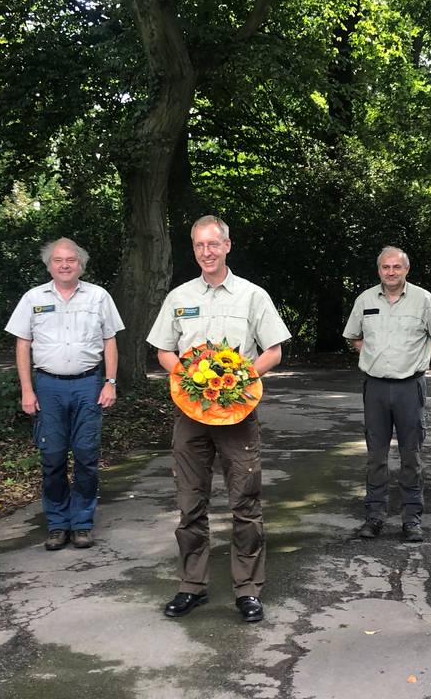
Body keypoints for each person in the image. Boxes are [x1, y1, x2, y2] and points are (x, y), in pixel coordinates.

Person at [147, 215, 291, 624]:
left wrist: (239, 381)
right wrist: (189, 378)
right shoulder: (178, 297)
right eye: (198, 246)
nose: (206, 252)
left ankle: (247, 590)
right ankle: (192, 586)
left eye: (213, 244)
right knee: (190, 502)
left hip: (238, 415)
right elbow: (164, 351)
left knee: (245, 501)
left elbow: (274, 350)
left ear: (227, 245)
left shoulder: (252, 296)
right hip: (191, 415)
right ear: (192, 249)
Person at [6, 238, 124, 551]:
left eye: (71, 259)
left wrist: (110, 381)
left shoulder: (98, 296)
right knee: (52, 457)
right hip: (48, 387)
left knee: (87, 456)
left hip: (88, 385)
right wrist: (27, 389)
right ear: (49, 265)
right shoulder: (33, 298)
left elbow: (109, 340)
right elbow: (22, 344)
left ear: (80, 265)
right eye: (58, 260)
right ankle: (58, 524)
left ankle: (82, 524)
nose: (65, 264)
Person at [342, 246, 431, 542]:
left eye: (396, 267)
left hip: (409, 387)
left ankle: (412, 519)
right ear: (379, 270)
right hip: (374, 387)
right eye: (386, 267)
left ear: (406, 269)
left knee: (411, 455)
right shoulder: (365, 299)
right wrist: (373, 355)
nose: (391, 272)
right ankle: (374, 517)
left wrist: (420, 362)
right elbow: (353, 336)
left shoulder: (423, 299)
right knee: (375, 455)